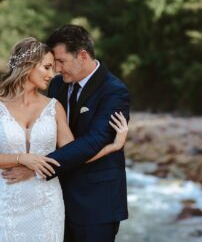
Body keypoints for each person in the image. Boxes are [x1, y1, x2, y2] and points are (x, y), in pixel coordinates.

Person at [3, 25, 131, 242]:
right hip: (51, 197)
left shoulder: (114, 92)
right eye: (51, 65)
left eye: (60, 62)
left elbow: (92, 142)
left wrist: (34, 169)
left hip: (94, 203)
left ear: (82, 56)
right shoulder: (57, 86)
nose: (57, 70)